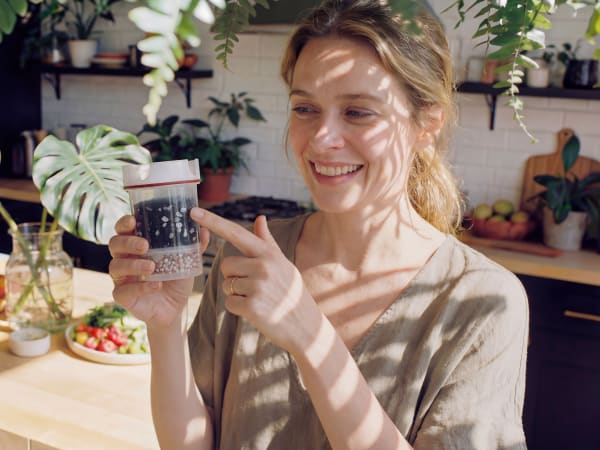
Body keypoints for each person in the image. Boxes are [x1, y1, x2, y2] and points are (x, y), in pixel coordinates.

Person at [108, 0, 529, 448]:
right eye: (305, 108)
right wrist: (165, 325)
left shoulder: (482, 302)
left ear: (425, 125)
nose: (322, 139)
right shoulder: (249, 260)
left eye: (357, 112)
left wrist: (310, 335)